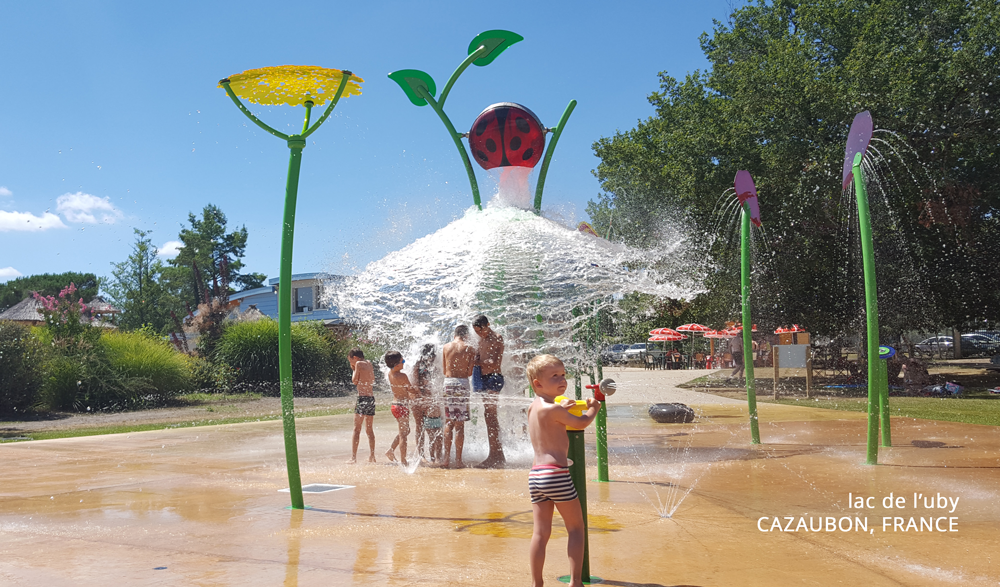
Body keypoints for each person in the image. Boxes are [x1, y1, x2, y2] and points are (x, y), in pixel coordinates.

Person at [525, 354, 599, 587]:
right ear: (538, 384)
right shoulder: (553, 409)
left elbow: (553, 417)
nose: (562, 380)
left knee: (540, 533)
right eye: (554, 376)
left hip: (536, 475)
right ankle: (575, 582)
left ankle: (537, 583)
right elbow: (580, 423)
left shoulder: (534, 407)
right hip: (556, 474)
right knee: (576, 528)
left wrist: (562, 406)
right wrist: (594, 408)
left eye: (563, 375)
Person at [472, 314, 506, 468]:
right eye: (477, 331)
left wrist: (478, 362)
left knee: (491, 416)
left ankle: (496, 456)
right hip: (484, 378)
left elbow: (495, 363)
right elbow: (481, 359)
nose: (480, 333)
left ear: (488, 324)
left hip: (493, 378)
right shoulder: (481, 340)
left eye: (481, 330)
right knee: (489, 416)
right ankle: (496, 454)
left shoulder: (497, 338)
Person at [441, 325, 476, 468]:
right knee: (460, 424)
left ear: (454, 334)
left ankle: (446, 459)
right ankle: (459, 461)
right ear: (466, 335)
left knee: (449, 421)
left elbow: (444, 370)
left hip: (448, 383)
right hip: (462, 383)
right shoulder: (470, 349)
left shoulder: (446, 347)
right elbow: (469, 373)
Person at [384, 351, 414, 466]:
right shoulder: (402, 376)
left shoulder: (390, 373)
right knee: (403, 434)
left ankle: (391, 450)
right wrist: (418, 390)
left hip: (395, 406)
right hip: (401, 407)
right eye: (403, 361)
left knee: (405, 431)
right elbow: (410, 389)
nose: (404, 363)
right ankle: (403, 460)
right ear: (397, 365)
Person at [411, 343, 440, 462]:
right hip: (418, 398)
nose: (432, 357)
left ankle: (434, 455)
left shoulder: (434, 366)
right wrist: (422, 397)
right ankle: (422, 455)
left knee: (432, 427)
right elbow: (415, 383)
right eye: (431, 355)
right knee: (421, 426)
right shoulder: (418, 365)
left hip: (426, 398)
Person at [347, 348, 376, 464]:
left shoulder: (358, 364)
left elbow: (354, 381)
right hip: (371, 399)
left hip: (362, 399)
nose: (351, 364)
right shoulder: (369, 363)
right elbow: (372, 379)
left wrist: (353, 369)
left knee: (356, 429)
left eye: (350, 361)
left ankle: (353, 458)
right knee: (369, 430)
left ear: (355, 358)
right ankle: (372, 456)